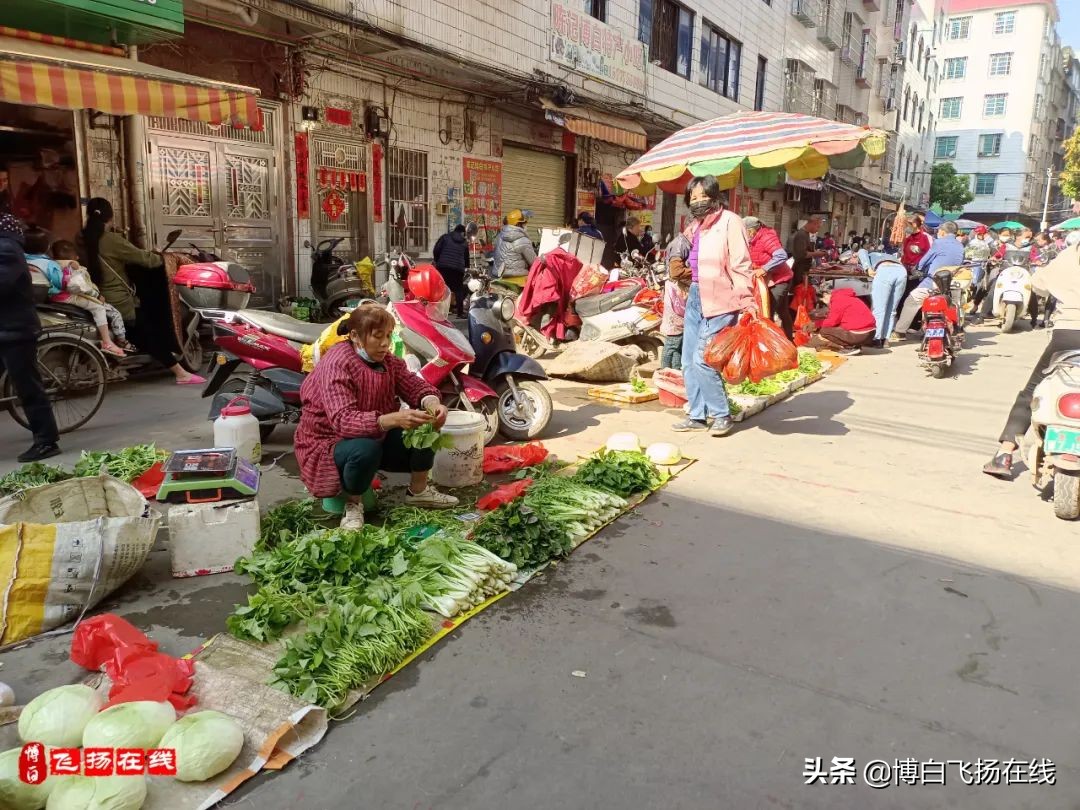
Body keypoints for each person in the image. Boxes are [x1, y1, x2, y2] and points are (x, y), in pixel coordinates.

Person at [294, 304, 459, 528]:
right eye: (378, 336)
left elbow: (414, 386)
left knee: (425, 428)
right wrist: (392, 419)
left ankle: (419, 491)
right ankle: (353, 505)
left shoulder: (387, 362)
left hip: (373, 432)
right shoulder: (337, 364)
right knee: (365, 449)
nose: (385, 343)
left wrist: (432, 403)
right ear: (355, 336)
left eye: (389, 336)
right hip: (329, 442)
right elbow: (343, 421)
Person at [983, 231, 1080, 478]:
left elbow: (1038, 284)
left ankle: (1005, 453)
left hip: (1067, 334)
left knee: (1034, 389)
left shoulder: (1070, 254)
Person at [81, 198, 203, 384]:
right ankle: (180, 373)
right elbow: (146, 260)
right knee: (149, 334)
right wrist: (163, 257)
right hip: (119, 301)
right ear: (109, 217)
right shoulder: (111, 240)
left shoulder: (79, 240)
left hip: (92, 297)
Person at [673, 176, 756, 437]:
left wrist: (747, 301)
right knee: (687, 361)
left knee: (703, 360)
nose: (698, 202)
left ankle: (721, 414)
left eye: (702, 196)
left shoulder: (731, 221)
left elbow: (741, 264)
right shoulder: (696, 225)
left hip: (721, 301)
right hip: (695, 297)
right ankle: (697, 415)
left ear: (715, 196)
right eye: (693, 198)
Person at [0, 214, 60, 462]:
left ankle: (46, 441)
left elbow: (3, 283)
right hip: (6, 327)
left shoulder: (5, 247)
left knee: (27, 386)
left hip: (14, 329)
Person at [23, 233, 129, 358]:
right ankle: (107, 342)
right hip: (63, 296)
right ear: (46, 248)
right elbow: (68, 284)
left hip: (43, 299)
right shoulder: (52, 265)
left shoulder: (23, 260)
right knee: (98, 308)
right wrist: (95, 294)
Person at [892, 221, 965, 338]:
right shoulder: (960, 246)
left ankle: (900, 332)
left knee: (911, 301)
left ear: (942, 231)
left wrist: (917, 269)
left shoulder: (939, 243)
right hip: (951, 282)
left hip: (934, 281)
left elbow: (924, 261)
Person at [744, 216, 793, 338]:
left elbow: (781, 255)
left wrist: (764, 268)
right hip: (766, 280)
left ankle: (769, 344)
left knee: (767, 310)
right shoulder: (751, 240)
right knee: (782, 311)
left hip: (780, 279)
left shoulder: (766, 236)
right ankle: (788, 339)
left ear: (751, 231)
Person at [804, 285, 876, 355]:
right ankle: (855, 345)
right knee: (835, 328)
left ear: (825, 294)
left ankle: (849, 347)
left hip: (859, 334)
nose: (824, 302)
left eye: (822, 299)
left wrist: (815, 324)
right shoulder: (846, 297)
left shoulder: (838, 300)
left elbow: (832, 322)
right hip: (871, 333)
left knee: (825, 331)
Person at [859, 248, 907, 348]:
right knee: (892, 309)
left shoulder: (868, 255)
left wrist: (867, 268)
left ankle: (876, 339)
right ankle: (885, 340)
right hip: (901, 271)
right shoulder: (886, 255)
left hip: (885, 270)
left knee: (879, 309)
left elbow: (862, 251)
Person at [660, 233, 691, 369]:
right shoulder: (681, 243)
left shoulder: (687, 243)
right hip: (676, 292)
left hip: (681, 292)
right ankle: (665, 373)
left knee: (681, 340)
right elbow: (676, 272)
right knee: (674, 339)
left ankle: (676, 371)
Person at [433, 224, 468, 318]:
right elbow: (466, 258)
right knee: (458, 290)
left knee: (441, 288)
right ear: (462, 232)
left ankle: (439, 311)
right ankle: (460, 313)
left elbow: (436, 250)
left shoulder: (445, 237)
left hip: (443, 267)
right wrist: (465, 267)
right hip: (457, 269)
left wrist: (437, 260)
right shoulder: (464, 242)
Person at [493, 208, 536, 278]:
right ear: (518, 224)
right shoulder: (523, 240)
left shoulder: (499, 236)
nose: (526, 225)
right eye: (525, 223)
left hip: (498, 273)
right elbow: (534, 263)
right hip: (516, 275)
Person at [786, 215, 826, 287]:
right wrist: (817, 254)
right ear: (813, 223)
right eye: (818, 227)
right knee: (799, 291)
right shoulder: (801, 235)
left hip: (804, 269)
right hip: (800, 270)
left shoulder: (806, 234)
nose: (818, 230)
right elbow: (802, 254)